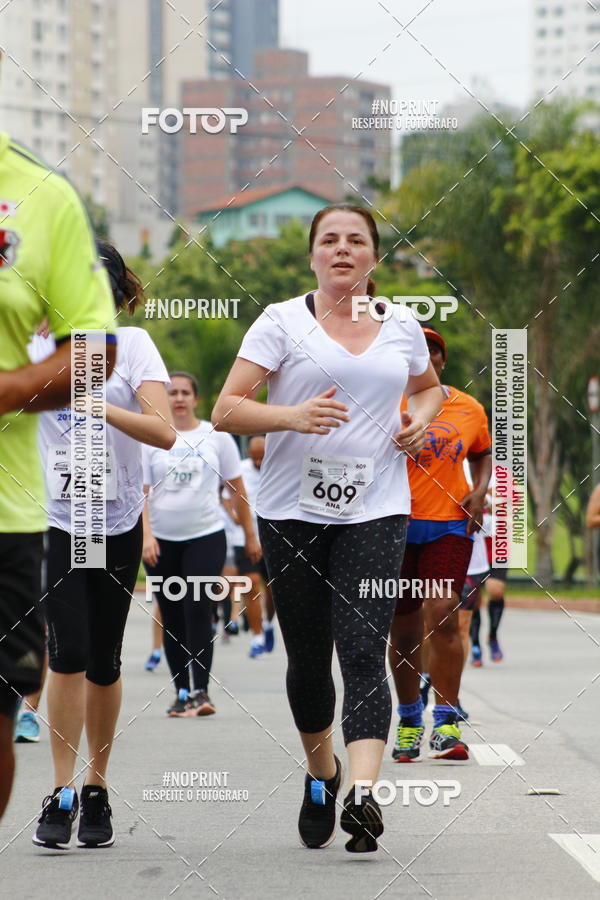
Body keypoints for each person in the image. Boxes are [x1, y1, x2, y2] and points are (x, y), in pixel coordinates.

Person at [212, 203, 442, 853]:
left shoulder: (402, 324)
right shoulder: (280, 322)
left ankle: (364, 796)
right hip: (292, 512)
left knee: (365, 649)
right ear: (312, 254)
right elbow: (227, 410)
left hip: (376, 508)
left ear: (374, 256)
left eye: (357, 241)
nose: (343, 249)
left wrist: (419, 417)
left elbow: (429, 389)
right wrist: (292, 416)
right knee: (309, 659)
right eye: (330, 240)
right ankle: (322, 775)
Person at [32, 241, 173, 850]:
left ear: (118, 294)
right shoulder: (35, 346)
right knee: (67, 655)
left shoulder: (134, 347)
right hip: (57, 520)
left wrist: (98, 406)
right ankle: (61, 790)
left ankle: (98, 786)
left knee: (105, 661)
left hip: (112, 522)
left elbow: (164, 431)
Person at [0, 129, 116, 820]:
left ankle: (83, 781)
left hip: (11, 513)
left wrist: (8, 391)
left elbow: (94, 354)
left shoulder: (44, 197)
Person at [389, 326, 491, 763]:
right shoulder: (384, 401)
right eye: (418, 352)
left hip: (449, 524)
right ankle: (410, 719)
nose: (426, 358)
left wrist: (481, 489)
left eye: (434, 352)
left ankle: (446, 720)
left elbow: (482, 452)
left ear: (442, 362)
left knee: (442, 612)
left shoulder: (467, 407)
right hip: (393, 523)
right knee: (405, 626)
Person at [142, 372, 261, 717]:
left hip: (205, 536)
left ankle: (201, 691)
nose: (178, 398)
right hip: (161, 541)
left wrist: (250, 535)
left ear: (195, 398)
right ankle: (181, 691)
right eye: (172, 393)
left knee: (197, 607)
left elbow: (237, 489)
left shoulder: (215, 436)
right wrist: (146, 537)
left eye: (184, 393)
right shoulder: (152, 438)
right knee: (172, 614)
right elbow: (142, 495)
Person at [223, 436, 276, 658]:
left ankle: (268, 622)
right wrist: (234, 516)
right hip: (244, 537)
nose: (257, 463)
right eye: (254, 458)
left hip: (273, 536)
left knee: (273, 590)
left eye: (261, 459)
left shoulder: (278, 467)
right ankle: (257, 637)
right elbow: (225, 497)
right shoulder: (241, 469)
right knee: (252, 584)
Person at [470, 473, 507, 663]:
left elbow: (508, 507)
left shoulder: (503, 475)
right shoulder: (462, 470)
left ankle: (492, 635)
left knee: (496, 591)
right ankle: (474, 643)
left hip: (497, 544)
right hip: (475, 543)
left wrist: (488, 500)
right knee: (473, 599)